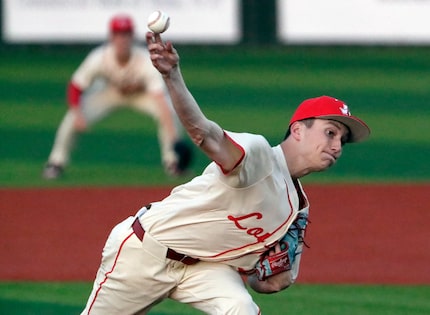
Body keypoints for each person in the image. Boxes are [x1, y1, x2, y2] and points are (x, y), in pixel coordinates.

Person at [80, 31, 370, 315]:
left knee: (241, 308)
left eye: (342, 140)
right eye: (330, 133)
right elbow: (204, 134)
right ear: (297, 130)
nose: (336, 146)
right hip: (145, 251)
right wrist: (172, 76)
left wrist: (273, 278)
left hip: (204, 269)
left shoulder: (298, 210)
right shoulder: (257, 155)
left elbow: (266, 282)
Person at [42, 14, 191, 179]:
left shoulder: (144, 60)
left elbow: (159, 99)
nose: (122, 39)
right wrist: (78, 114)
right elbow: (76, 86)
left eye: (126, 34)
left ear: (132, 37)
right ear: (111, 37)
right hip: (110, 92)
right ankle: (56, 162)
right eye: (118, 34)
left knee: (169, 112)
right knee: (71, 117)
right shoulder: (99, 57)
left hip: (140, 95)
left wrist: (175, 138)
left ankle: (172, 162)